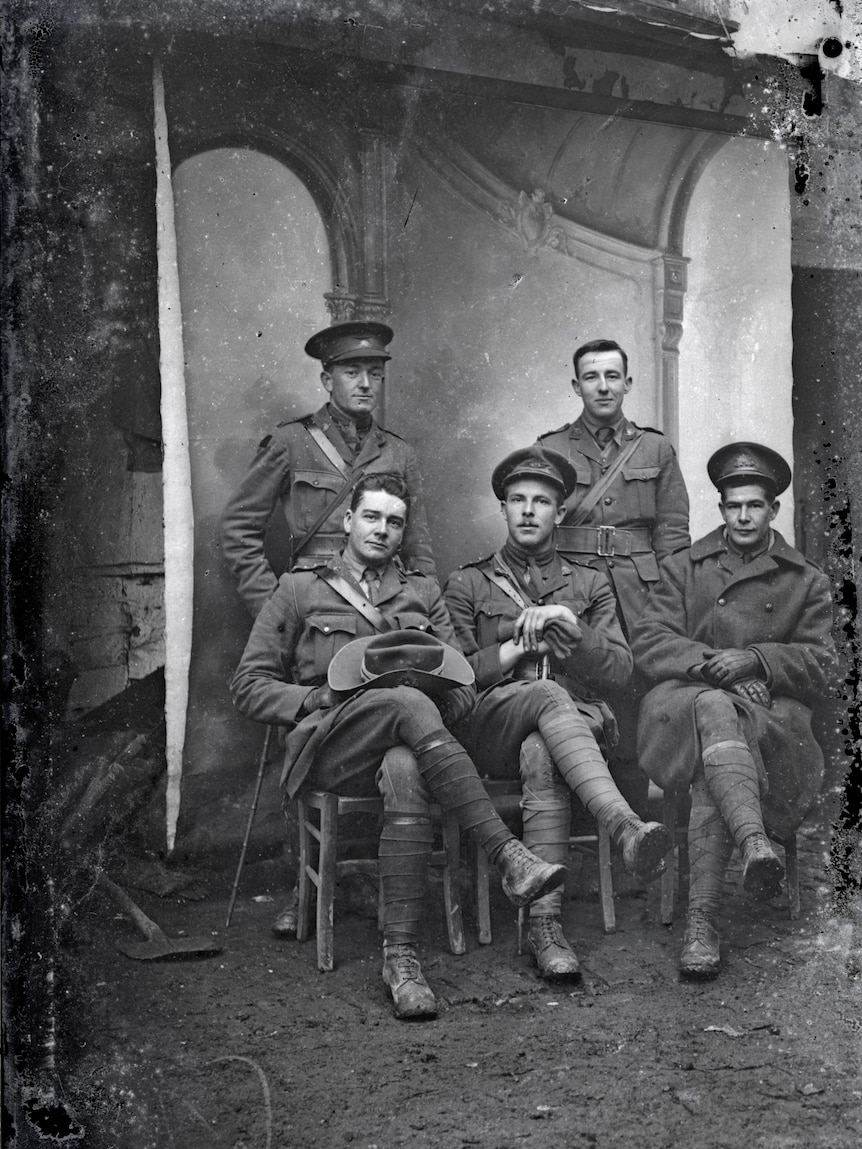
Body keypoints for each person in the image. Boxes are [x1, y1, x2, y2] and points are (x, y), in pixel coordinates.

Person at [230, 472, 566, 1019]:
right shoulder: (299, 588)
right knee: (409, 709)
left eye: (394, 521)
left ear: (404, 531)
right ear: (347, 521)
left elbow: (462, 681)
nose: (382, 530)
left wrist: (440, 698)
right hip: (332, 747)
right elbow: (248, 685)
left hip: (410, 747)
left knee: (407, 758)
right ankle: (507, 853)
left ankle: (401, 958)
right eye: (371, 517)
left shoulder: (422, 593)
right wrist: (312, 699)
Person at [443, 446, 672, 980]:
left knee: (542, 746)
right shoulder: (468, 583)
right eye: (517, 499)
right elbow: (453, 677)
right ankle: (623, 825)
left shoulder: (589, 583)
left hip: (578, 730)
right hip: (492, 724)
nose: (527, 510)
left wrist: (572, 626)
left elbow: (619, 670)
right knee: (546, 704)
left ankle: (544, 929)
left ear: (560, 513)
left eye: (541, 501)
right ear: (502, 508)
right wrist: (518, 647)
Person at [630, 443, 837, 980]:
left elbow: (826, 664)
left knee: (711, 766)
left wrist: (758, 661)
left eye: (755, 505)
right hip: (681, 706)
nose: (743, 516)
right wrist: (714, 667)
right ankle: (753, 843)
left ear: (773, 510)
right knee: (714, 708)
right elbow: (649, 642)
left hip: (770, 721)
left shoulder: (806, 580)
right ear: (720, 509)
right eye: (733, 505)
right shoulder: (683, 567)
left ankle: (702, 924)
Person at [536, 338, 691, 814]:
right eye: (591, 377)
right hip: (576, 593)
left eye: (611, 376)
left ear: (627, 382)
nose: (602, 387)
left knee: (635, 706)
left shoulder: (655, 448)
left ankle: (635, 836)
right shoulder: (551, 447)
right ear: (576, 385)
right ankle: (581, 832)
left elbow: (674, 534)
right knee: (573, 703)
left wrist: (670, 604)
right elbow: (539, 530)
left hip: (639, 597)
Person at [220, 320, 436, 619]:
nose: (365, 384)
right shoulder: (292, 442)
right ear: (328, 380)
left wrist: (426, 610)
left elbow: (417, 546)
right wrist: (273, 610)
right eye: (352, 373)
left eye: (375, 374)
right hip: (313, 603)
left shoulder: (400, 453)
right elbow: (238, 528)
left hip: (386, 605)